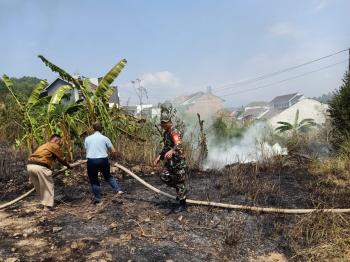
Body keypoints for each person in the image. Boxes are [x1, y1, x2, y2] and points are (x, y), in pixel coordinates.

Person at [27, 134, 71, 211]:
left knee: (40, 187)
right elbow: (61, 159)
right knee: (47, 186)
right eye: (60, 142)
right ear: (56, 140)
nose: (61, 144)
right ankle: (47, 207)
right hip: (40, 167)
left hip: (30, 166)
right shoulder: (54, 145)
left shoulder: (43, 145)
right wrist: (68, 166)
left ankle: (43, 204)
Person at [154, 116, 188, 212]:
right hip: (170, 162)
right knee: (164, 176)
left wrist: (172, 151)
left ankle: (183, 204)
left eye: (165, 123)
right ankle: (181, 191)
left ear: (170, 123)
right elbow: (166, 147)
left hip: (178, 161)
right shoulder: (165, 134)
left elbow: (178, 144)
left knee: (180, 181)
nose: (164, 125)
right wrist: (159, 157)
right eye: (162, 124)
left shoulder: (174, 131)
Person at [84, 121, 123, 204]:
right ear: (101, 129)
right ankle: (118, 190)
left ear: (93, 129)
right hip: (103, 160)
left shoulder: (87, 139)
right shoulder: (105, 138)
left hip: (91, 161)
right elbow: (113, 151)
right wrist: (113, 158)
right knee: (108, 176)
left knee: (94, 180)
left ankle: (98, 198)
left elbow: (87, 150)